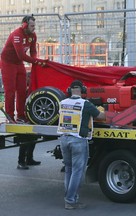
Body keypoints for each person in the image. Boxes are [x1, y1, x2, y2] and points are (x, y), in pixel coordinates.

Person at [0, 15, 46, 170]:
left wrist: (36, 61)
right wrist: (36, 61)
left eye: (35, 25)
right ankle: (10, 117)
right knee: (10, 91)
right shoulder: (17, 35)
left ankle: (20, 116)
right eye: (32, 25)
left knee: (22, 90)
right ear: (25, 24)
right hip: (8, 62)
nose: (34, 28)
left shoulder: (32, 36)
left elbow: (32, 52)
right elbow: (21, 55)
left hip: (18, 63)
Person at [57, 80, 106, 210]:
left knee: (69, 170)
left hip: (64, 139)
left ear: (69, 90)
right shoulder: (86, 104)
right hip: (78, 140)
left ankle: (69, 199)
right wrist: (102, 109)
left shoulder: (62, 103)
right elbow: (101, 116)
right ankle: (71, 200)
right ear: (83, 90)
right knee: (77, 172)